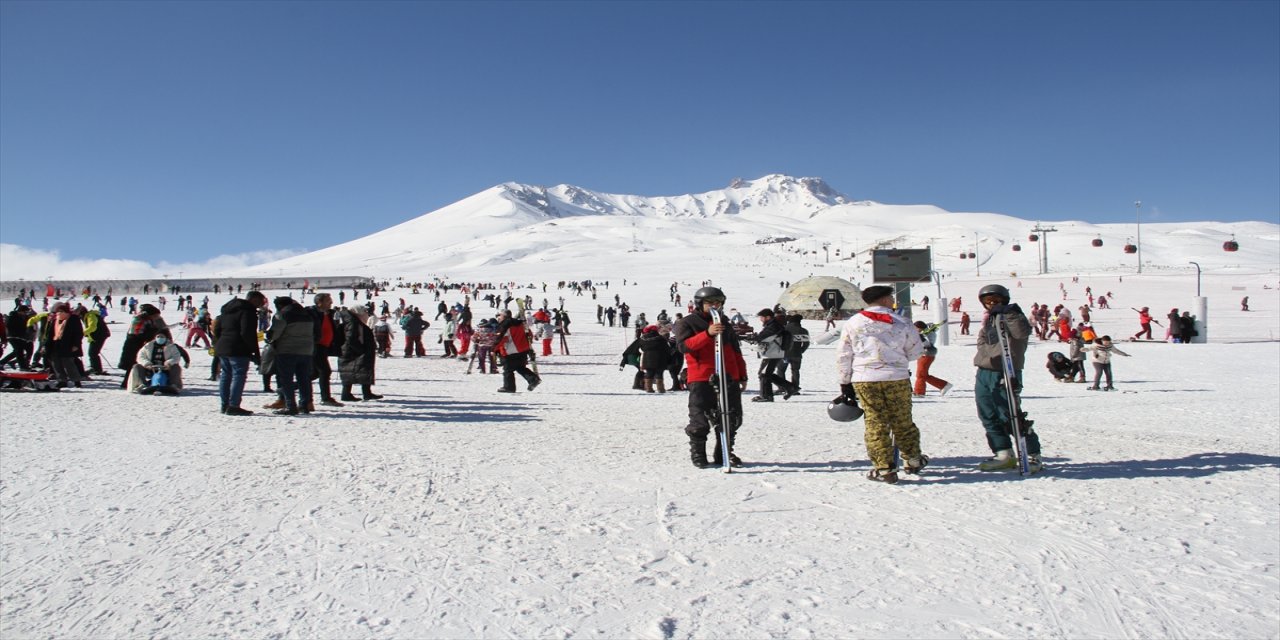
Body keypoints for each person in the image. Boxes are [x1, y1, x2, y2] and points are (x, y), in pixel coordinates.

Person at [836, 286, 929, 483]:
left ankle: (884, 467)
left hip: (865, 377)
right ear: (886, 299)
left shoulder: (853, 322)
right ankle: (912, 459)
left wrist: (844, 382)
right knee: (902, 419)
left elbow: (844, 354)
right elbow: (915, 351)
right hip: (896, 376)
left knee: (875, 421)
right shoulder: (902, 322)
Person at [673, 286, 747, 468]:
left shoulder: (725, 323)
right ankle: (698, 453)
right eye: (710, 303)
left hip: (728, 375)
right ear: (700, 303)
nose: (715, 306)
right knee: (700, 418)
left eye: (718, 303)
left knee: (732, 417)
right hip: (701, 376)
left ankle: (724, 452)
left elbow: (735, 351)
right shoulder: (687, 322)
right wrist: (707, 334)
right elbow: (684, 346)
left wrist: (742, 375)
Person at [972, 284, 1043, 473]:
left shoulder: (1014, 316)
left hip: (1006, 370)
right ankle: (1003, 452)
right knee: (987, 412)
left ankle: (1031, 453)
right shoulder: (989, 319)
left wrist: (1008, 313)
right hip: (985, 370)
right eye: (988, 301)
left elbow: (1021, 333)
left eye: (996, 300)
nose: (992, 304)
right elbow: (982, 341)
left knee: (1009, 413)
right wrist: (985, 356)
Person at [214, 291, 268, 416]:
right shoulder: (248, 312)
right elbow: (247, 333)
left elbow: (217, 328)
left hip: (223, 347)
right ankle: (233, 405)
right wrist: (254, 352)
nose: (262, 304)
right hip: (238, 348)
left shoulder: (227, 310)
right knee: (239, 375)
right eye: (261, 301)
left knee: (226, 375)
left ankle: (225, 405)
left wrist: (218, 343)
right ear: (254, 299)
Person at [264, 297, 314, 415]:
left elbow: (275, 334)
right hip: (306, 350)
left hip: (287, 350)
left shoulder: (282, 315)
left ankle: (290, 405)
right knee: (304, 379)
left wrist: (269, 337)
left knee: (286, 379)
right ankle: (305, 404)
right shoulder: (307, 314)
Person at [751, 309, 799, 402]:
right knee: (766, 374)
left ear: (768, 317)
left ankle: (766, 396)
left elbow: (766, 337)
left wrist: (756, 338)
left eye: (761, 317)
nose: (760, 319)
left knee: (764, 374)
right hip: (773, 353)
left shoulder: (773, 326)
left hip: (772, 353)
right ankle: (790, 387)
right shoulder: (773, 325)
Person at [306, 293, 345, 407]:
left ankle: (287, 388)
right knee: (324, 371)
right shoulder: (313, 314)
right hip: (316, 346)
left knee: (314, 373)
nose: (331, 303)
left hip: (325, 347)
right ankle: (325, 398)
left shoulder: (329, 313)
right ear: (319, 303)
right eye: (328, 301)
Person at [338, 306, 383, 401]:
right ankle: (346, 394)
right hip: (353, 352)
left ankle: (366, 393)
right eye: (364, 312)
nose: (366, 314)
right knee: (351, 372)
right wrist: (361, 350)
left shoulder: (353, 321)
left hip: (352, 351)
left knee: (362, 371)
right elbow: (352, 338)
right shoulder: (354, 323)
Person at [492, 309, 540, 393]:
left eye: (499, 315)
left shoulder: (505, 325)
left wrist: (493, 348)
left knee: (508, 370)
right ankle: (533, 379)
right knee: (520, 367)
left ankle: (509, 387)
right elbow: (529, 334)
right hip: (523, 349)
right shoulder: (521, 323)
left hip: (510, 351)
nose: (498, 317)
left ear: (504, 316)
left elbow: (502, 339)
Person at [43, 302, 84, 389]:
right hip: (55, 344)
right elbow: (50, 334)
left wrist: (76, 344)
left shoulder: (73, 319)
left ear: (67, 312)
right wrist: (45, 346)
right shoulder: (55, 321)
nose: (60, 313)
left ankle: (76, 380)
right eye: (58, 312)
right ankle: (62, 380)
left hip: (68, 345)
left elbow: (78, 333)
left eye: (62, 312)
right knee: (56, 364)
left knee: (68, 363)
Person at [911, 320, 952, 397]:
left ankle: (919, 392)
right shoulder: (923, 333)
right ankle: (943, 385)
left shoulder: (928, 334)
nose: (914, 330)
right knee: (923, 375)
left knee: (920, 375)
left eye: (916, 328)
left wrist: (921, 338)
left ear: (920, 328)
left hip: (927, 354)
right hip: (923, 354)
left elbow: (928, 344)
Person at [782, 314, 810, 391]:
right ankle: (795, 387)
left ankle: (783, 388)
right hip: (797, 354)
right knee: (795, 371)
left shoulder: (784, 329)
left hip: (784, 354)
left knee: (781, 370)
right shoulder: (803, 330)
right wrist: (801, 350)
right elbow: (806, 343)